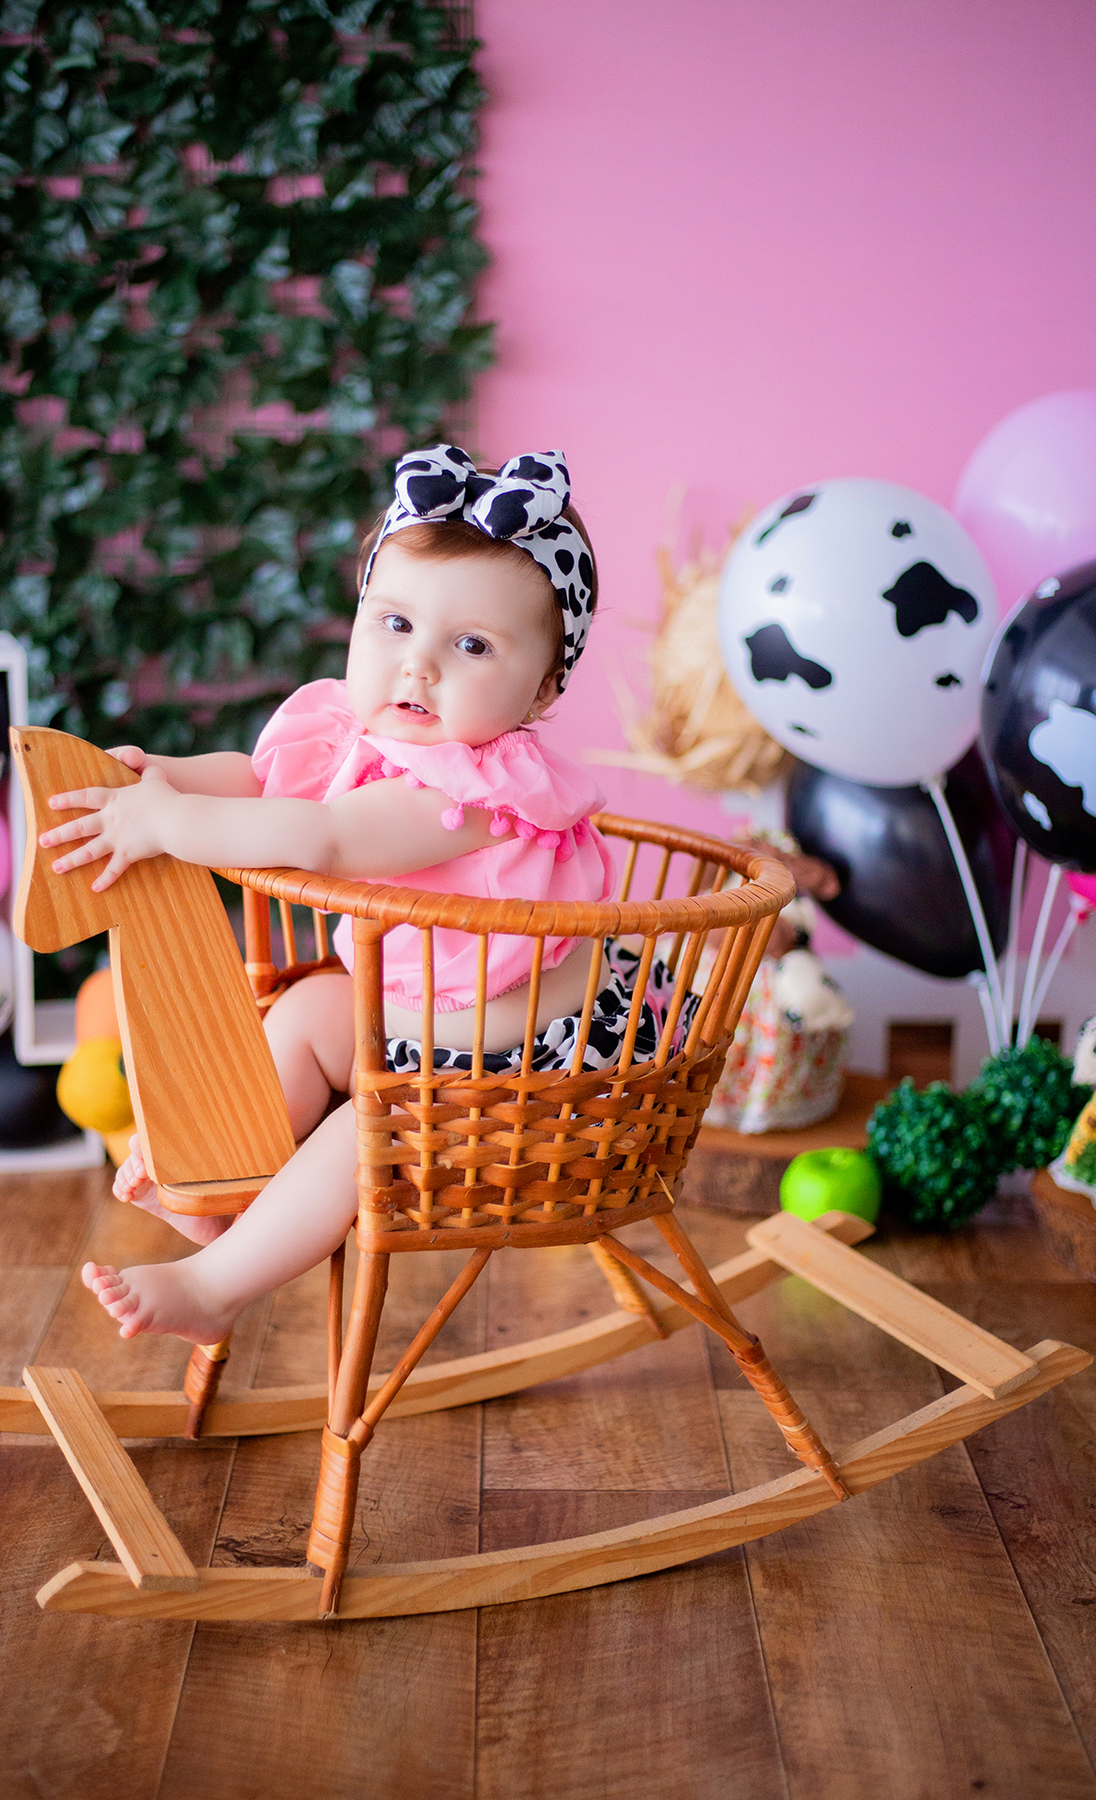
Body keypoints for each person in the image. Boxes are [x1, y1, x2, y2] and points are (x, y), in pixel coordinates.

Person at [39, 447, 665, 1346]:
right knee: (302, 1015)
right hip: (414, 1015)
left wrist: (166, 826)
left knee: (363, 1129)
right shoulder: (353, 727)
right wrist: (162, 776)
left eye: (473, 645)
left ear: (543, 688)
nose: (418, 668)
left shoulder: (482, 791)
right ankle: (222, 1180)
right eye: (396, 623)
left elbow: (321, 838)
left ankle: (216, 1288)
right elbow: (261, 785)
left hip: (523, 1056)